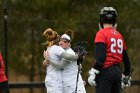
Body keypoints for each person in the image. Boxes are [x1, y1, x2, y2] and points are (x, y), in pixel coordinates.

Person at [88, 7, 131, 93]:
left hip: (105, 72)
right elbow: (127, 62)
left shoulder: (101, 33)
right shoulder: (119, 35)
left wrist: (94, 71)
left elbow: (101, 57)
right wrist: (126, 75)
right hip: (117, 73)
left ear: (101, 20)